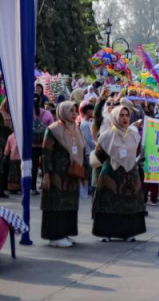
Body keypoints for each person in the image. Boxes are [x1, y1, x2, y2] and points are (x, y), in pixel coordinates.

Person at [92, 105, 147, 242]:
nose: (124, 118)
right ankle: (106, 232)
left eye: (127, 115)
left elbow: (138, 151)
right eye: (121, 115)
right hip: (111, 173)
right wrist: (112, 160)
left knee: (129, 203)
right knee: (108, 203)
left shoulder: (134, 135)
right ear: (115, 117)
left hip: (130, 174)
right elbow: (99, 154)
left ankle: (128, 232)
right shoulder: (106, 136)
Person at [41, 101, 86, 247]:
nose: (74, 114)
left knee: (69, 204)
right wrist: (47, 174)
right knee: (56, 204)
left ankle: (65, 233)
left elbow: (81, 151)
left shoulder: (76, 129)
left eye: (75, 111)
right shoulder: (53, 130)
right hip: (57, 174)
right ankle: (55, 236)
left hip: (72, 174)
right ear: (62, 112)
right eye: (70, 111)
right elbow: (46, 153)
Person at [32, 94, 55, 194]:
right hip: (45, 144)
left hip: (32, 145)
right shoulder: (47, 114)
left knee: (34, 166)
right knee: (46, 165)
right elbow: (52, 129)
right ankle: (46, 185)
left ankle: (33, 188)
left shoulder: (28, 113)